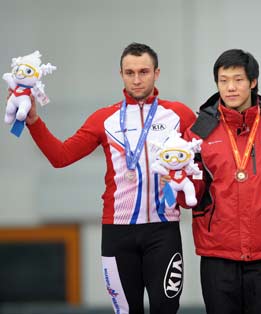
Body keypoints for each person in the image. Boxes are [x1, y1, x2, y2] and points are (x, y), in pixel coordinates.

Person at [15, 42, 196, 314]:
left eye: (144, 71)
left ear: (157, 73)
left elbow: (207, 155)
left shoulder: (179, 114)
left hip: (163, 231)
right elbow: (60, 156)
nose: (137, 79)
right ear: (121, 74)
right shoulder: (104, 119)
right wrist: (33, 122)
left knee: (166, 309)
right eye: (129, 72)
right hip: (117, 233)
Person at [184, 49, 261, 314]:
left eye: (238, 79)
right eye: (223, 81)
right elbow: (191, 196)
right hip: (217, 253)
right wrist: (174, 179)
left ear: (253, 82)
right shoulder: (199, 131)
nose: (230, 87)